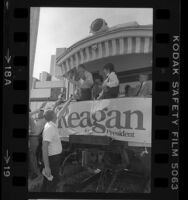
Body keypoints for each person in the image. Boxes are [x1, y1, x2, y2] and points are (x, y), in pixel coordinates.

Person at [41, 96, 73, 192]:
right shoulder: (49, 128)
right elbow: (44, 148)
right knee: (52, 181)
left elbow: (62, 111)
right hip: (51, 159)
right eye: (55, 112)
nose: (57, 112)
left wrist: (70, 100)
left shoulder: (52, 123)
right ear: (53, 116)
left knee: (48, 180)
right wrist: (47, 166)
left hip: (54, 158)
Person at [29, 102, 47, 179]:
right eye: (39, 112)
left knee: (32, 155)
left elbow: (29, 115)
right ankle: (35, 171)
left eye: (41, 113)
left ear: (43, 114)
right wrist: (41, 106)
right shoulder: (37, 120)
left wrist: (39, 109)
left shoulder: (43, 120)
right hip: (34, 138)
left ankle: (36, 172)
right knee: (33, 156)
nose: (39, 114)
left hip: (34, 138)